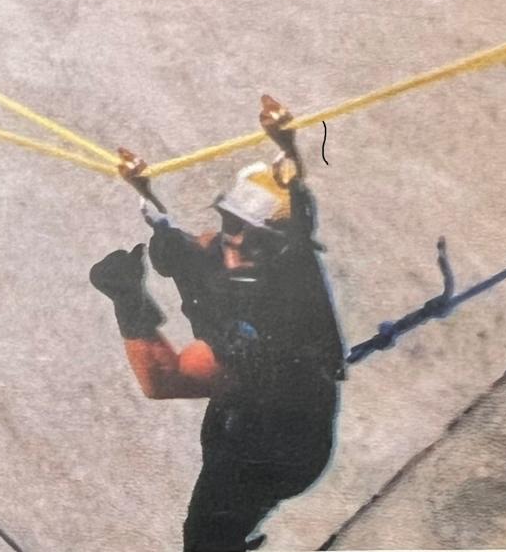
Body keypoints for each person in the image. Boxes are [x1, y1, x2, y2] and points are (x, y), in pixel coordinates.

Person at [90, 96, 345, 551]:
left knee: (206, 536)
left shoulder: (261, 325)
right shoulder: (274, 255)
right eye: (231, 220)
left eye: (251, 233)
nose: (233, 239)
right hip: (272, 417)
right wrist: (149, 198)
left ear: (279, 247)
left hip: (272, 452)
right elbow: (284, 202)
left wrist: (129, 301)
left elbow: (163, 379)